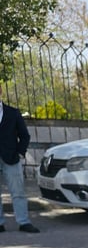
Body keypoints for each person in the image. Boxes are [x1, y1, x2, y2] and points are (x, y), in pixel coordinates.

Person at [0, 100, 39, 233]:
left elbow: (24, 136)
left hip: (11, 158)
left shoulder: (13, 113)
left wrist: (20, 153)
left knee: (18, 192)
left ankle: (24, 222)